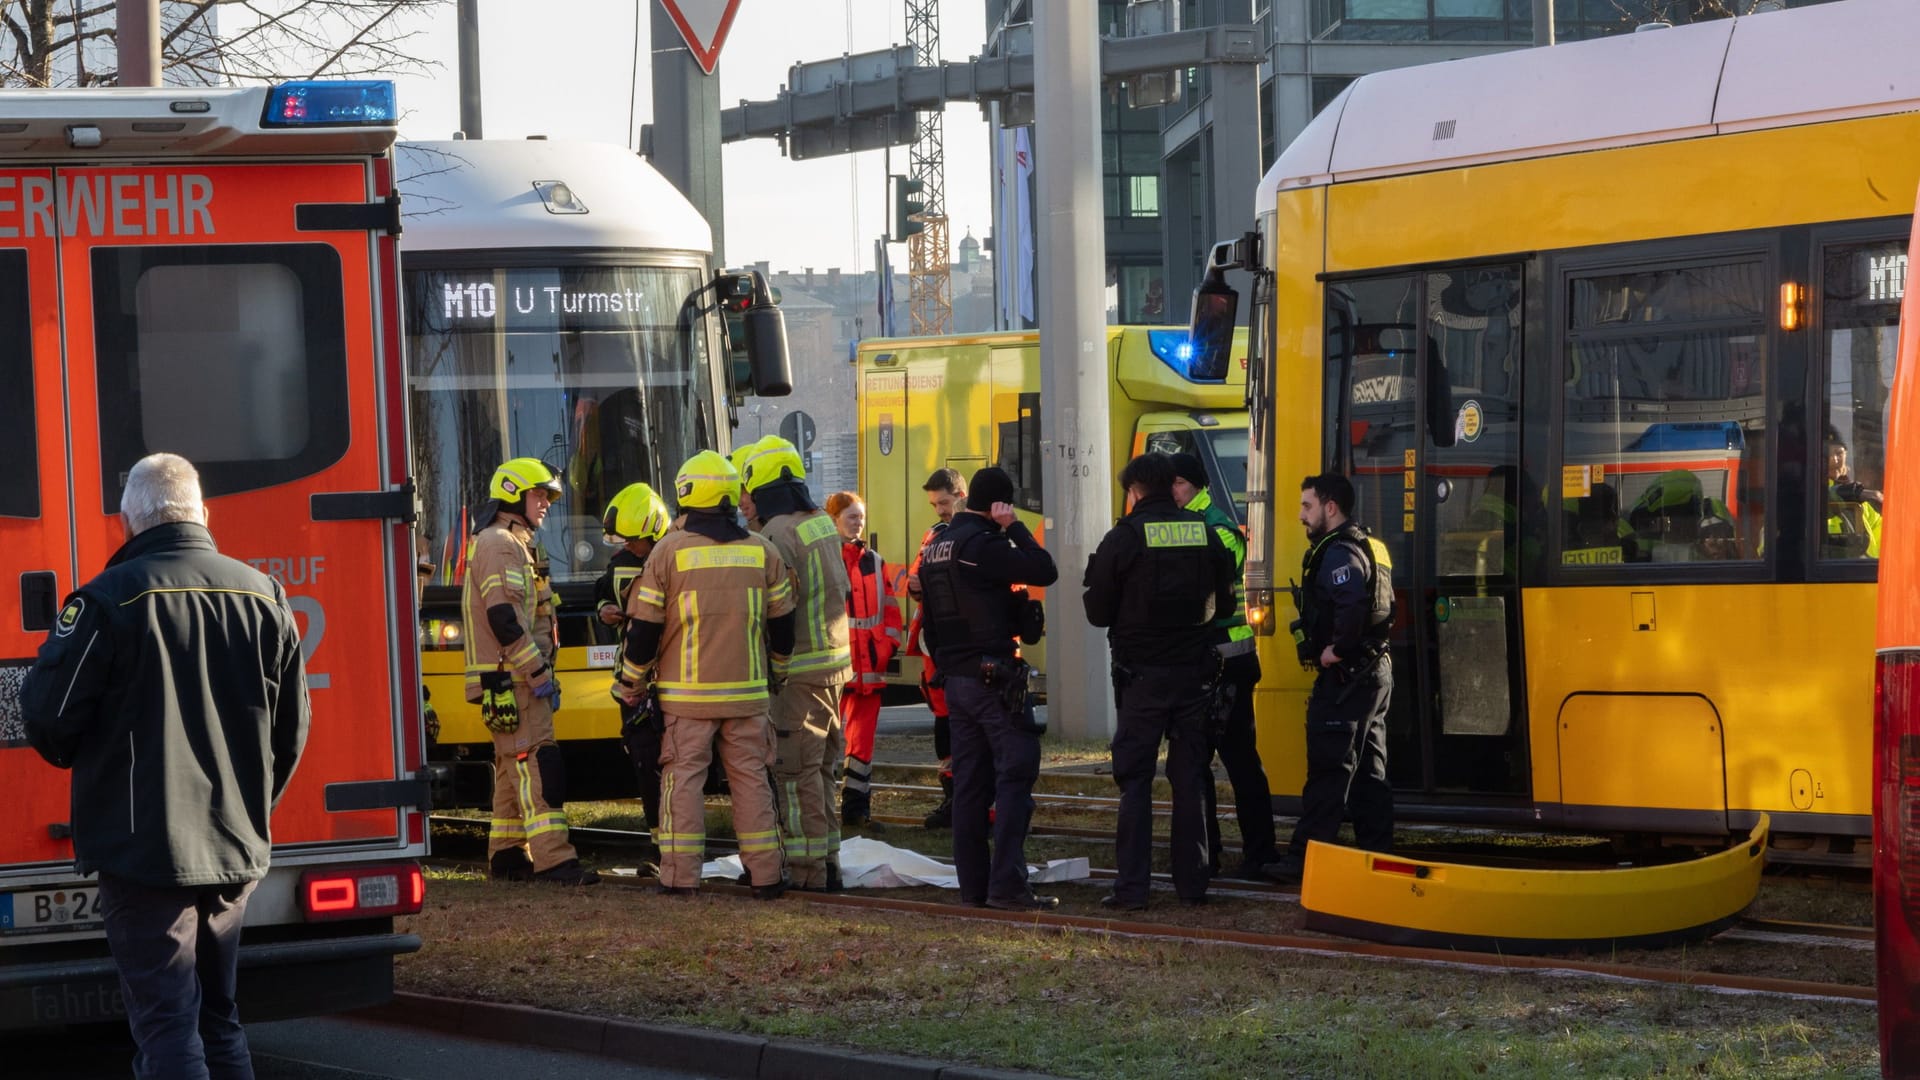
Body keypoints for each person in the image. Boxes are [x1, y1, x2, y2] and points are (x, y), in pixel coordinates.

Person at [22, 452, 311, 1080]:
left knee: (166, 1027)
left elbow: (48, 716)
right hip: (233, 847)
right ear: (203, 514)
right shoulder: (264, 595)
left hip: (142, 851)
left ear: (128, 523)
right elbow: (291, 732)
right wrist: (249, 811)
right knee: (220, 1021)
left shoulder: (106, 601)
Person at [615, 450, 793, 898]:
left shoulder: (669, 552)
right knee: (751, 780)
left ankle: (679, 877)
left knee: (683, 782)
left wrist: (630, 683)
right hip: (749, 696)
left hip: (686, 699)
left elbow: (644, 631)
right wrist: (778, 671)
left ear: (686, 493)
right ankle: (767, 875)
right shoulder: (762, 551)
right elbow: (783, 625)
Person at [1086, 454, 1238, 910]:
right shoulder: (1204, 532)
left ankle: (1133, 888)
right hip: (1194, 676)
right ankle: (1193, 884)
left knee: (1135, 780)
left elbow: (1097, 613)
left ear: (1134, 491)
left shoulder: (1124, 538)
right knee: (1189, 778)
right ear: (1170, 487)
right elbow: (1226, 603)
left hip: (1141, 680)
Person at [917, 466, 1060, 910]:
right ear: (1000, 503)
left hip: (957, 682)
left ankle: (973, 888)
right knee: (1016, 773)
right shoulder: (985, 545)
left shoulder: (936, 546)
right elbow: (1044, 569)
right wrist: (1013, 525)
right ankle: (1009, 887)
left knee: (970, 787)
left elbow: (932, 620)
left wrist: (947, 663)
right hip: (993, 679)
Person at [462, 457, 599, 885]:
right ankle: (555, 860)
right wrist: (538, 672)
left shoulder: (508, 542)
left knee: (510, 765)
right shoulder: (501, 544)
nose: (546, 504)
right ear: (513, 496)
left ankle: (506, 856)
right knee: (538, 763)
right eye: (540, 495)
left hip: (508, 678)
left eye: (548, 496)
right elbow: (505, 619)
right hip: (517, 679)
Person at [1266, 473, 1395, 884]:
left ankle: (1306, 859)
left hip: (1348, 676)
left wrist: (1336, 649)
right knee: (1369, 770)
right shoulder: (1371, 544)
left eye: (1308, 506)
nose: (1302, 515)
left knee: (1328, 767)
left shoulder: (1338, 553)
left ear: (1330, 507)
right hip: (1375, 673)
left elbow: (1353, 601)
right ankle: (1377, 852)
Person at [739, 437, 853, 891]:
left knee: (793, 774)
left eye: (748, 491)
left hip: (797, 675)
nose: (744, 501)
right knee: (824, 770)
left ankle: (807, 874)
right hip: (834, 668)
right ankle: (829, 860)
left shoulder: (775, 534)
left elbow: (775, 609)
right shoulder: (820, 522)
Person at [1168, 452, 1279, 879]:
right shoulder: (1186, 524)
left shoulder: (1218, 527)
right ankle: (1208, 854)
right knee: (1199, 761)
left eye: (1177, 484)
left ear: (1194, 485)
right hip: (1206, 660)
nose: (1172, 492)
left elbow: (1214, 579)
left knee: (1237, 761)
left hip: (1227, 661)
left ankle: (1259, 852)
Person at [594, 482, 673, 839]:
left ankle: (673, 841)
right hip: (637, 679)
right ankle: (661, 842)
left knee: (666, 763)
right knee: (645, 762)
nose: (626, 545)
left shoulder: (671, 559)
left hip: (661, 679)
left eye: (631, 539)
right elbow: (603, 590)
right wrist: (604, 610)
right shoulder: (624, 561)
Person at [827, 490, 903, 828]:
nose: (858, 524)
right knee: (824, 742)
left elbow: (889, 609)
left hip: (868, 668)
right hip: (835, 666)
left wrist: (886, 645)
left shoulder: (874, 561)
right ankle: (825, 810)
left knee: (862, 745)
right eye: (851, 517)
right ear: (834, 520)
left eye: (861, 517)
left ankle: (857, 810)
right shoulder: (827, 558)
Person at [906, 467, 965, 827]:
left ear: (961, 493)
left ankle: (968, 801)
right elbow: (914, 579)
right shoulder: (936, 534)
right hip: (937, 643)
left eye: (944, 502)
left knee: (965, 725)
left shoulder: (978, 533)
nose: (940, 510)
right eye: (934, 504)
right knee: (945, 723)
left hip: (960, 643)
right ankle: (953, 798)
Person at [1825, 427, 1884, 559]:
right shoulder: (1809, 492)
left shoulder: (1864, 498)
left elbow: (1883, 532)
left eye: (1839, 453)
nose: (1834, 460)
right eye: (1826, 455)